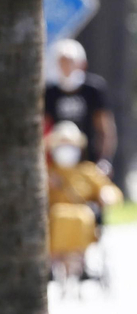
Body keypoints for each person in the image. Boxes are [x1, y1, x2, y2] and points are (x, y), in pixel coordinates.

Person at [45, 120, 121, 282]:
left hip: (84, 220)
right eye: (62, 144)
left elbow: (110, 190)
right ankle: (57, 262)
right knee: (58, 216)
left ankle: (79, 261)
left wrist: (106, 195)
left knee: (83, 216)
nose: (66, 148)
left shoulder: (88, 171)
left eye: (70, 144)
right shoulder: (47, 173)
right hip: (54, 220)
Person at [43, 38, 116, 171]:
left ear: (82, 64)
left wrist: (105, 159)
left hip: (89, 162)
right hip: (57, 165)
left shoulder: (93, 90)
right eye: (62, 62)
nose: (66, 67)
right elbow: (44, 128)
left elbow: (105, 127)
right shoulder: (50, 93)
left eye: (70, 62)